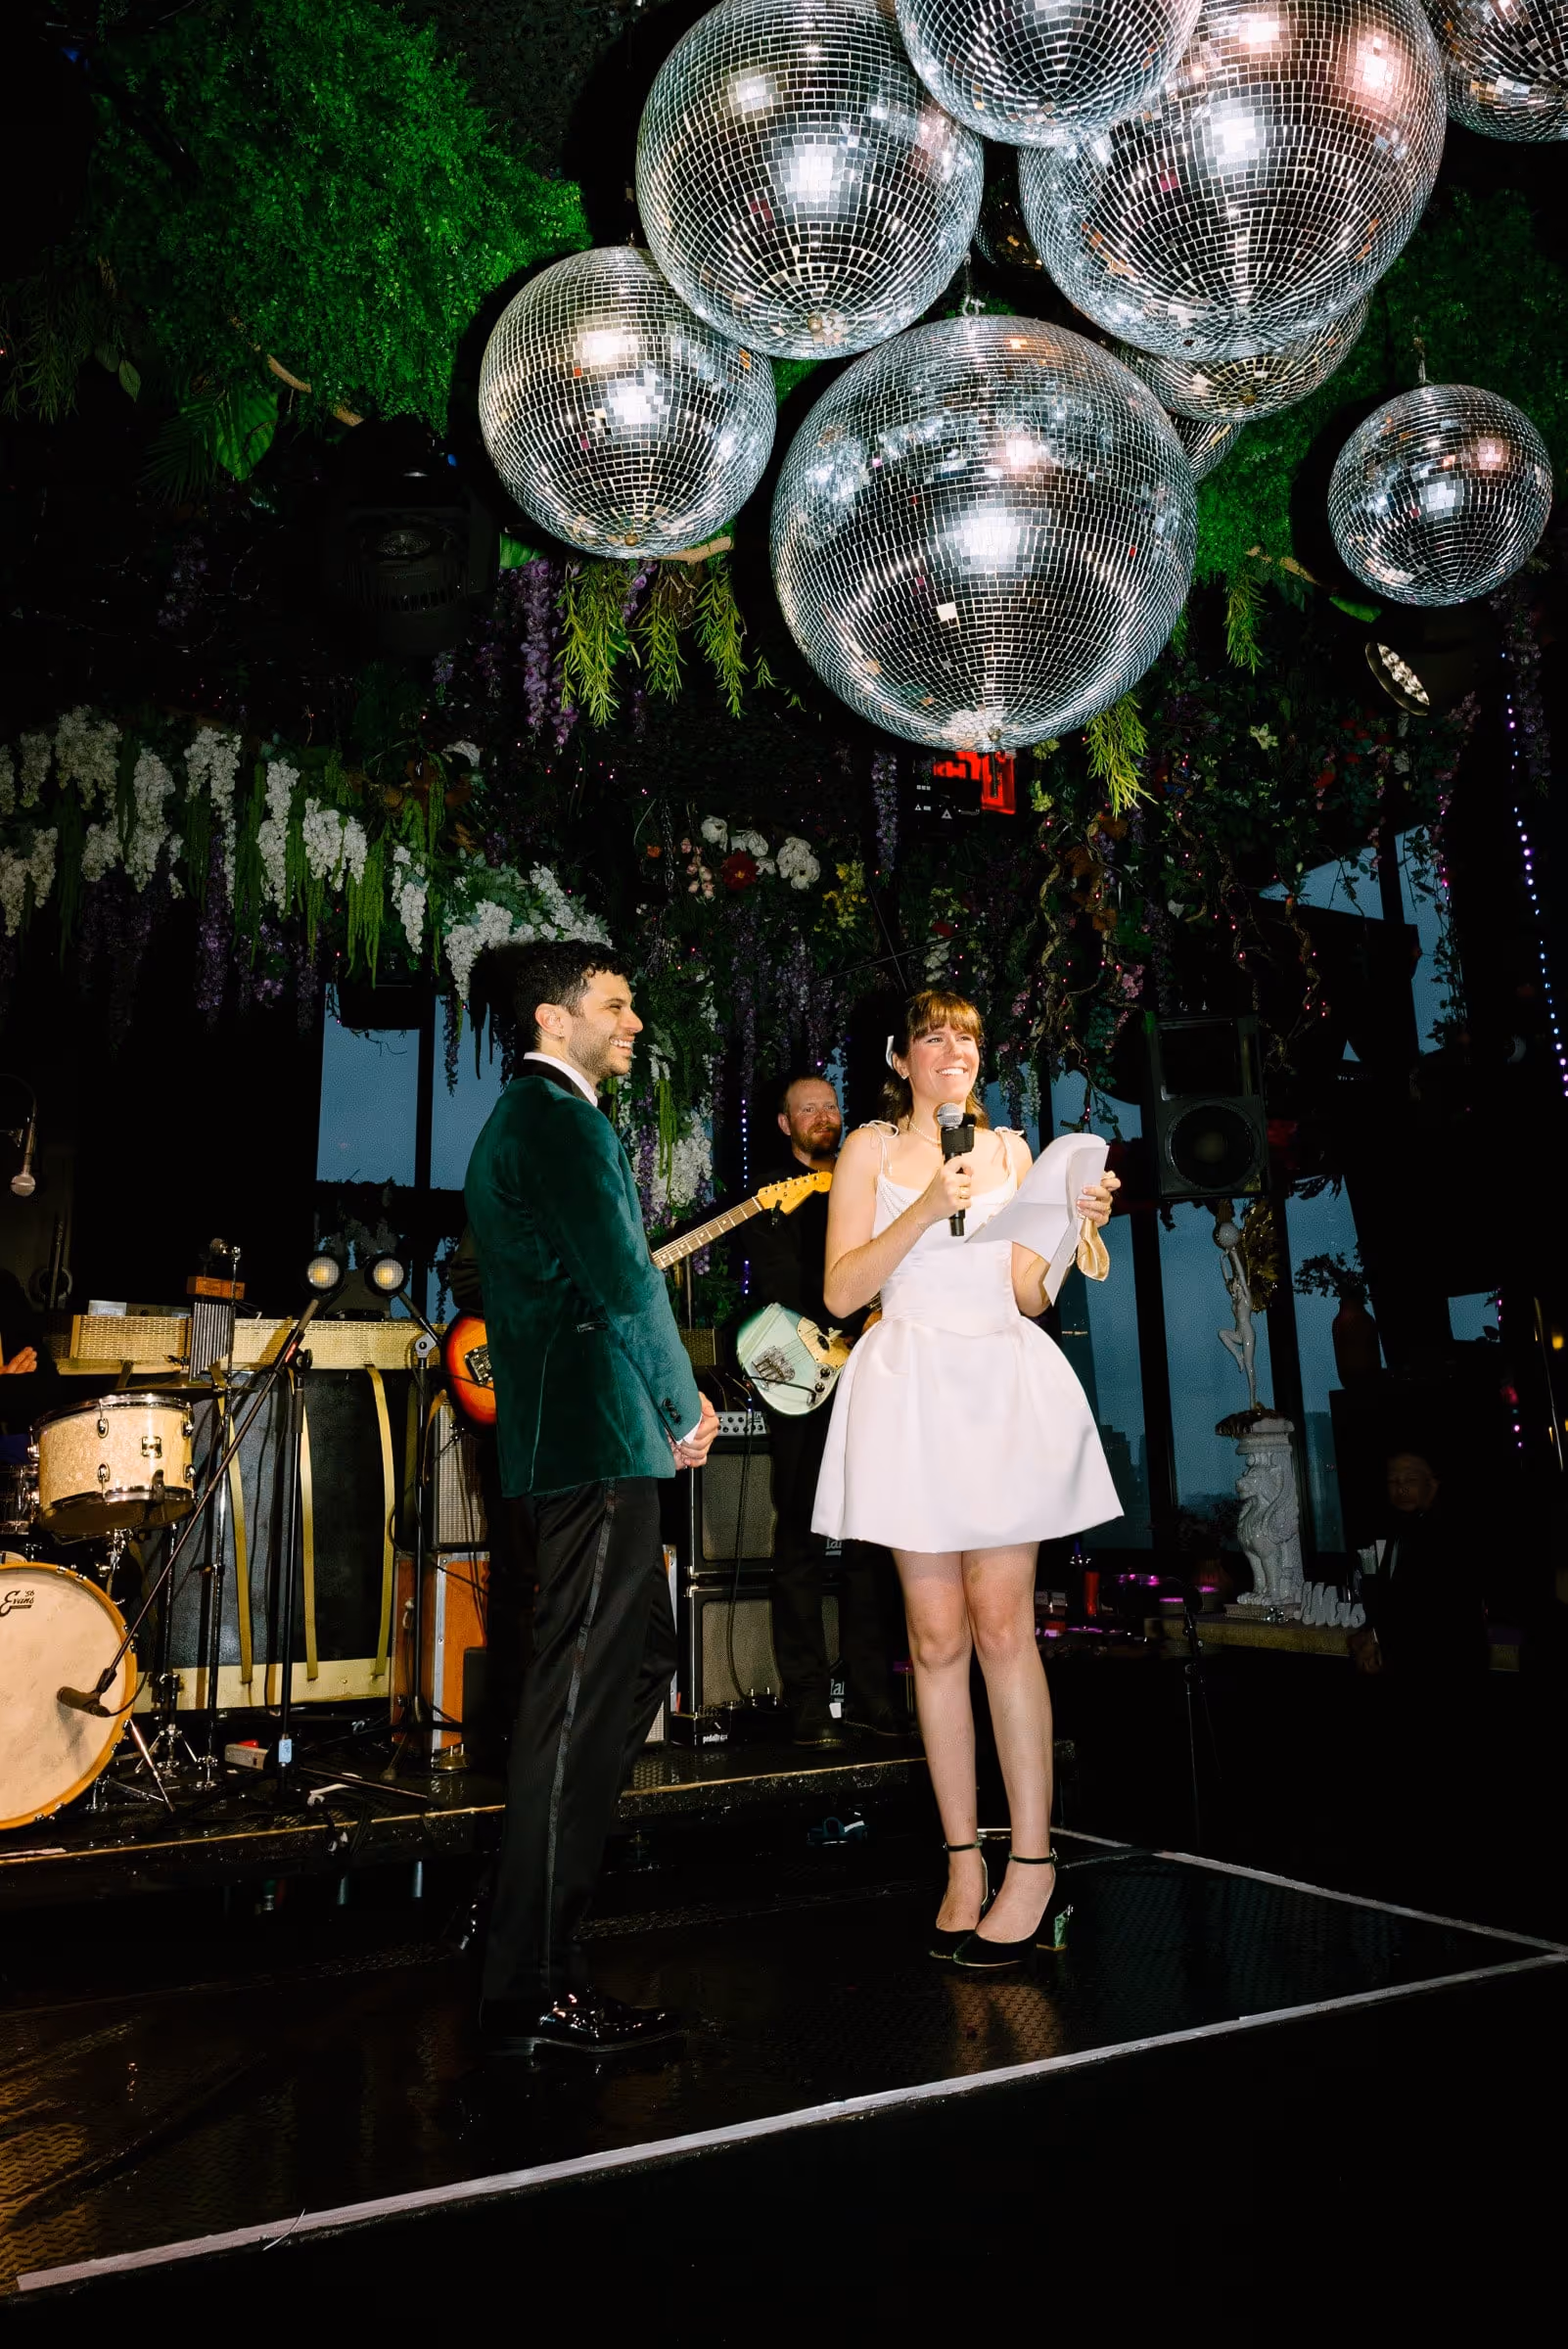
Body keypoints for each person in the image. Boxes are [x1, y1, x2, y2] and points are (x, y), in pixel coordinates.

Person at [814, 988, 1119, 1972]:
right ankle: (962, 1859)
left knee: (1003, 1625)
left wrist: (1072, 1229)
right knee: (934, 1636)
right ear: (900, 1059)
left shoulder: (1011, 1151)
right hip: (909, 1386)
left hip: (996, 1377)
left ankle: (1033, 1859)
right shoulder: (866, 1150)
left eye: (970, 1038)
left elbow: (1027, 1292)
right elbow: (843, 1290)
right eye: (936, 1038)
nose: (956, 1051)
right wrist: (927, 1211)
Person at [464, 940, 718, 2057]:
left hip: (573, 1442)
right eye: (614, 1005)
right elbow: (622, 1277)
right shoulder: (558, 1120)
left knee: (639, 1660)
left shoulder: (529, 1121)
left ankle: (525, 1899)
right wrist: (680, 1402)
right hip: (599, 1439)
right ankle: (533, 1982)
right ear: (553, 1019)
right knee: (576, 1699)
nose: (634, 1024)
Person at [741, 1072, 900, 1750]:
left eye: (830, 1105)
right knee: (800, 1547)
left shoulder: (866, 1181)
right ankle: (807, 1701)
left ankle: (875, 1696)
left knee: (871, 1545)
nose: (822, 1116)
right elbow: (776, 1292)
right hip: (807, 1382)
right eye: (807, 1109)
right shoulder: (775, 1196)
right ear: (784, 1124)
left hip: (870, 1377)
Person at [1350, 1451, 1487, 1684]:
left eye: (1410, 1479)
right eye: (1393, 1481)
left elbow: (1431, 1611)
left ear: (1432, 1483)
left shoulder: (1450, 1532)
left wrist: (1373, 1637)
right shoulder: (1401, 1528)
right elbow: (1393, 1600)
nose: (1400, 1488)